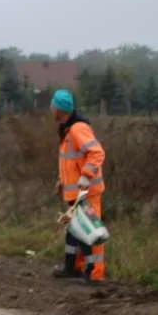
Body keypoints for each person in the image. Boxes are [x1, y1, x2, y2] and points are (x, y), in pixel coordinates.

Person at [50, 90, 106, 282]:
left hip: (87, 192)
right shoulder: (67, 129)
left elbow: (96, 153)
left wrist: (86, 175)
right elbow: (70, 161)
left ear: (59, 109)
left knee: (91, 233)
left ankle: (94, 273)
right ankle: (72, 267)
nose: (51, 109)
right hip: (75, 192)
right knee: (75, 231)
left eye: (53, 106)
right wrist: (62, 181)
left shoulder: (77, 129)